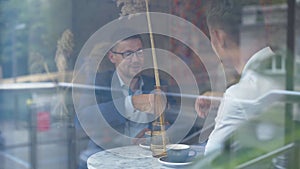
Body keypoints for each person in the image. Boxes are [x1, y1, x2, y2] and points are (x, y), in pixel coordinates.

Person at [195, 0, 284, 154]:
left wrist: (229, 100)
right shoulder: (289, 69)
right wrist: (222, 99)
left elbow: (211, 162)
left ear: (219, 37)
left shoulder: (239, 97)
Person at [78, 30, 176, 169]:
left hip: (148, 159)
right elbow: (82, 120)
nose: (136, 59)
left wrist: (154, 134)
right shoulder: (99, 82)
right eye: (128, 54)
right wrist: (130, 103)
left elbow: (175, 118)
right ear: (112, 57)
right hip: (108, 156)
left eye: (140, 52)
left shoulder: (156, 82)